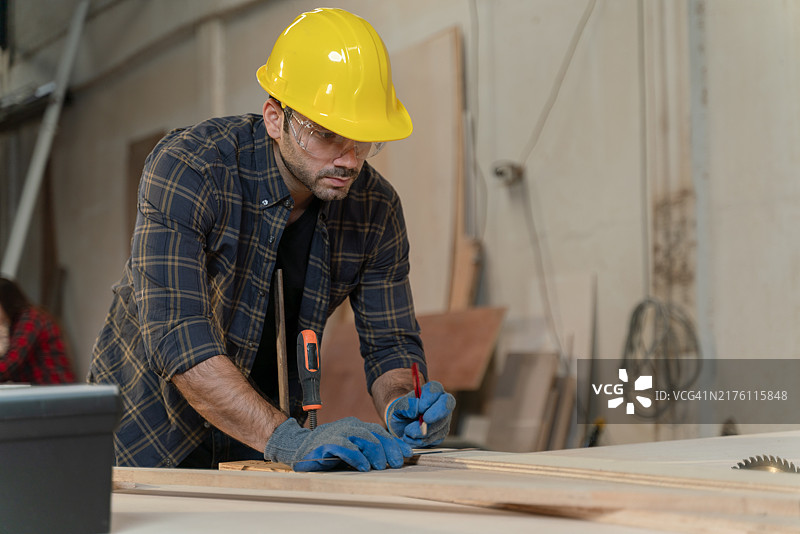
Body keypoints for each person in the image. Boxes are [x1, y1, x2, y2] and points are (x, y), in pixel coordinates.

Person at [88, 7, 455, 471]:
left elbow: (390, 345)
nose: (348, 159)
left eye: (363, 140)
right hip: (151, 438)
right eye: (326, 135)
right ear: (276, 118)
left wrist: (402, 401)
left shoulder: (376, 210)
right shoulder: (191, 169)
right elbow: (179, 339)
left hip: (266, 438)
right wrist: (288, 440)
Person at [0, 277, 76, 384]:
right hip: (41, 393)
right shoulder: (14, 324)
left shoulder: (31, 319)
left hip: (55, 392)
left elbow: (11, 363)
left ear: (6, 301)